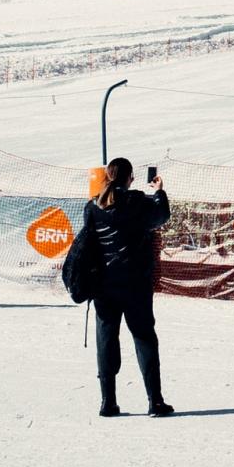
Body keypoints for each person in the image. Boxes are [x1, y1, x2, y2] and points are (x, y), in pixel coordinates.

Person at [82, 157, 172, 417]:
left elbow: (88, 243)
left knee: (106, 339)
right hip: (135, 284)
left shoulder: (94, 205)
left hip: (104, 285)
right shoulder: (138, 201)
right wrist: (160, 192)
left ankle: (107, 401)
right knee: (144, 337)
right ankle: (155, 401)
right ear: (130, 176)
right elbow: (161, 216)